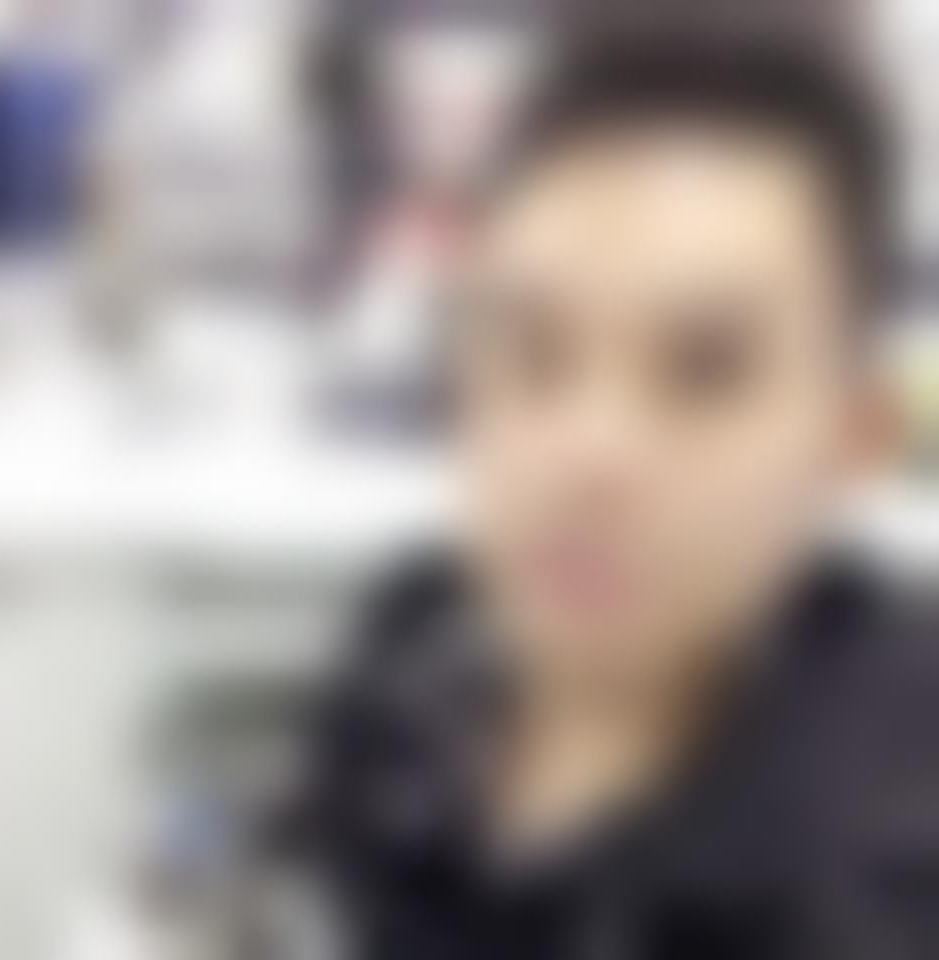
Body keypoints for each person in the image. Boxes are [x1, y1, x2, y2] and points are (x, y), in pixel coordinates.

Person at [274, 29, 938, 960]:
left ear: (852, 436)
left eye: (703, 371)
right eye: (533, 350)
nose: (591, 453)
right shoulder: (413, 660)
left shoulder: (879, 880)